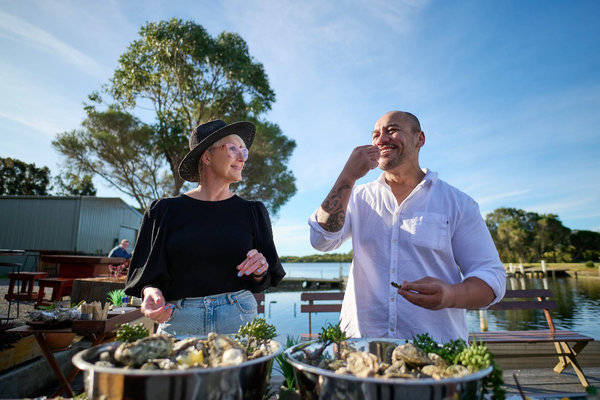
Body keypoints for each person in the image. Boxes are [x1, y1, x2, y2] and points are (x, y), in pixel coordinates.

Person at [308, 111, 506, 342]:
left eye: (392, 130)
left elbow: (492, 277)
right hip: (361, 350)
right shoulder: (357, 197)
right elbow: (320, 240)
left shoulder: (458, 203)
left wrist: (451, 295)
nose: (381, 139)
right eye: (375, 135)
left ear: (419, 139)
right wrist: (348, 176)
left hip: (437, 351)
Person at [125, 120, 286, 336]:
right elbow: (145, 275)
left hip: (238, 317)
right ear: (207, 156)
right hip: (180, 319)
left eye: (244, 150)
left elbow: (266, 277)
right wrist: (150, 291)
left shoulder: (253, 211)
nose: (242, 157)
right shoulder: (163, 211)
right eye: (232, 148)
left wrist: (260, 269)